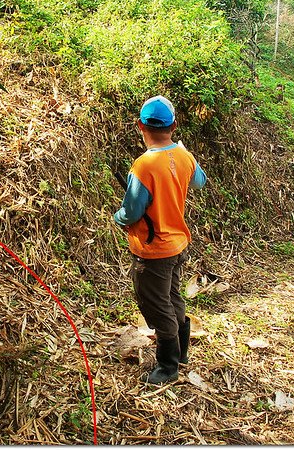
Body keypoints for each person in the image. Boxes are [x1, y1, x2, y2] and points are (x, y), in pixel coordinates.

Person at [114, 95, 206, 384]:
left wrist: (118, 217)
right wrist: (184, 152)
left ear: (140, 126)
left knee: (156, 304)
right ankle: (180, 354)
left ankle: (168, 366)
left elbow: (131, 212)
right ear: (174, 125)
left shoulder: (143, 166)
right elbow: (199, 180)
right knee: (172, 297)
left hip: (153, 250)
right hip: (177, 243)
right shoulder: (184, 157)